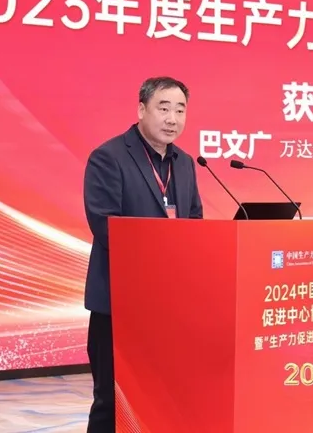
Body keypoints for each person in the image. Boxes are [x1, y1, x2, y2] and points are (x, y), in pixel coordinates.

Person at [82, 76, 203, 432]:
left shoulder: (185, 163)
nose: (172, 119)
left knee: (159, 396)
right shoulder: (109, 157)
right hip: (120, 302)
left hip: (169, 305)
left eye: (180, 110)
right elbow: (105, 225)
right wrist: (161, 255)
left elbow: (194, 220)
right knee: (111, 400)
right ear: (141, 110)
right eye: (163, 108)